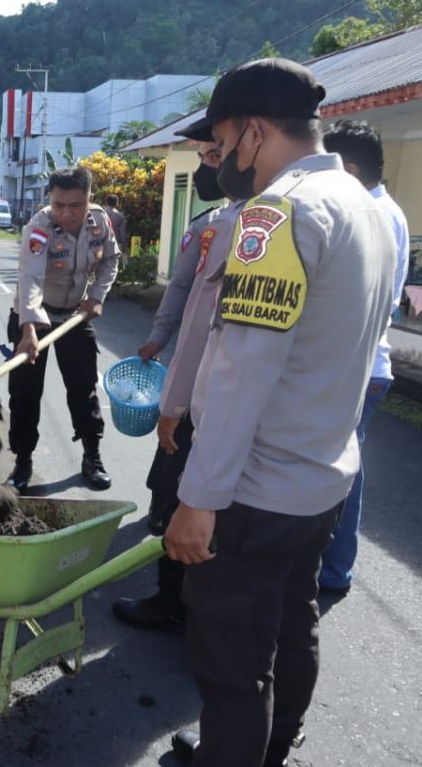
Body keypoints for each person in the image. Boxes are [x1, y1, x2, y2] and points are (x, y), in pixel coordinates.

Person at [163, 59, 396, 767]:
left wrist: (198, 499)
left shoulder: (278, 214)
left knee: (233, 667)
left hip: (255, 494)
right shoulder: (370, 209)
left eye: (226, 139)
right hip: (323, 479)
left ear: (256, 131)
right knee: (292, 631)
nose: (223, 157)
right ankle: (271, 751)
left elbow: (242, 370)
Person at [114, 128, 241, 635]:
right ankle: (180, 598)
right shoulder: (208, 226)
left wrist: (176, 399)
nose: (211, 165)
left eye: (218, 154)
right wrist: (157, 338)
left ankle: (183, 605)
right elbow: (181, 292)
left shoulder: (261, 226)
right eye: (206, 155)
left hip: (216, 385)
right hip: (204, 382)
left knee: (188, 486)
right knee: (172, 480)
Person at [317, 119, 409, 595]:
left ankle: (332, 571)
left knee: (339, 474)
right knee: (342, 469)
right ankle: (332, 568)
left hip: (358, 367)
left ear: (349, 170)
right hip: (362, 366)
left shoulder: (373, 215)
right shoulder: (378, 209)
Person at [7, 166, 121, 491]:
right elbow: (29, 278)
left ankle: (92, 456)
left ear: (90, 199)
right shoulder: (39, 228)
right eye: (59, 205)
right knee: (25, 392)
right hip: (35, 316)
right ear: (50, 200)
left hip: (75, 315)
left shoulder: (99, 222)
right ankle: (23, 461)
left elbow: (111, 259)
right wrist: (28, 327)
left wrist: (97, 296)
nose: (66, 213)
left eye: (75, 205)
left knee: (84, 388)